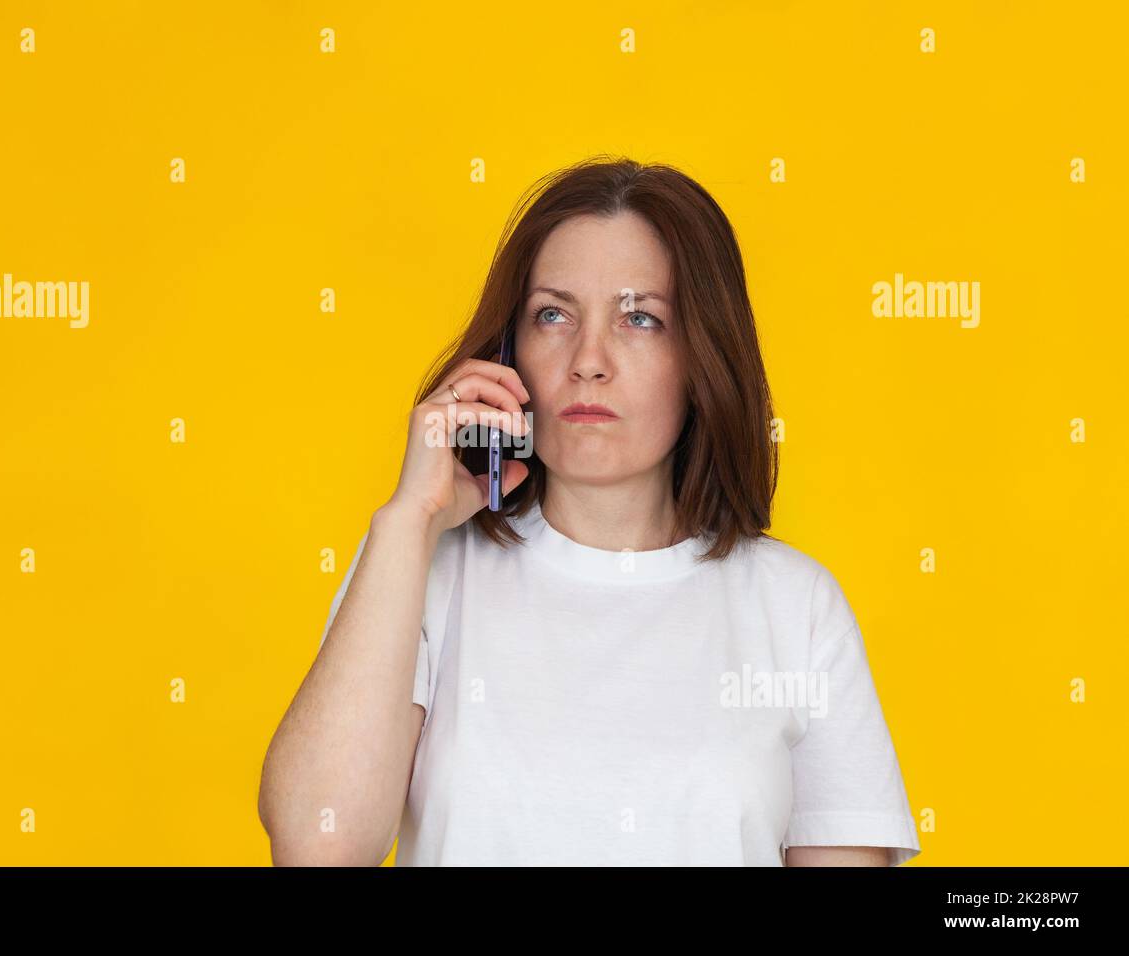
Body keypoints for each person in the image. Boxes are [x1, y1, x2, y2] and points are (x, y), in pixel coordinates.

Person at [257, 156, 921, 867]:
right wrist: (408, 517)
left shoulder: (796, 607)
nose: (588, 360)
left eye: (639, 318)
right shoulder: (418, 567)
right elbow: (317, 846)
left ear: (702, 358)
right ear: (511, 353)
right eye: (553, 314)